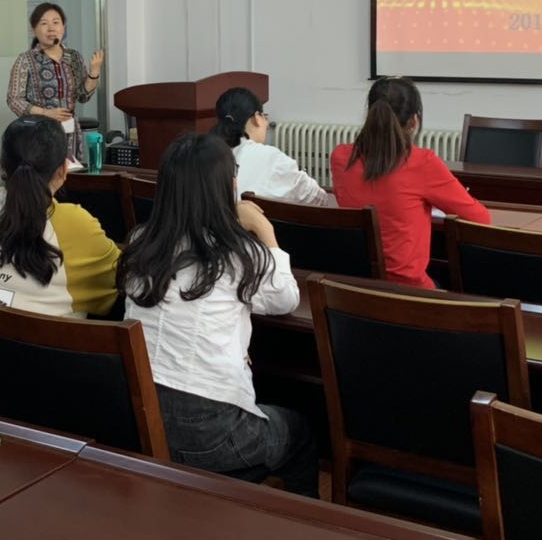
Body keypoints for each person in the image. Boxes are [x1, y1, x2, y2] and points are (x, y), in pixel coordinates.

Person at [120, 132, 318, 497]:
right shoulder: (240, 255)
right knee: (300, 433)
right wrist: (266, 230)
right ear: (228, 187)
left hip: (140, 420)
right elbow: (286, 298)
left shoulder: (140, 243)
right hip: (210, 433)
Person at [0, 116, 120, 407]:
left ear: (3, 166)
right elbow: (118, 288)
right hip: (28, 390)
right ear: (64, 169)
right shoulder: (75, 224)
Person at [330, 77, 489, 287]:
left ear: (370, 115)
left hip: (355, 289)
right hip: (409, 293)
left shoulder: (340, 158)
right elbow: (480, 218)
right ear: (413, 122)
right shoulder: (422, 163)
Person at [6, 2, 103, 163]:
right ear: (34, 29)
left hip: (70, 134)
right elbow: (14, 100)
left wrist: (94, 72)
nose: (51, 28)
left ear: (63, 27)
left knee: (70, 175)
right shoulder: (25, 60)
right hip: (37, 133)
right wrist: (46, 113)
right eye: (44, 23)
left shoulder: (73, 57)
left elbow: (83, 96)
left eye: (56, 22)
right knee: (43, 175)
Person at [212, 86, 330, 206]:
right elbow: (316, 198)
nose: (267, 124)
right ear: (256, 118)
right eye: (265, 116)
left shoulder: (207, 152)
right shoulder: (270, 157)